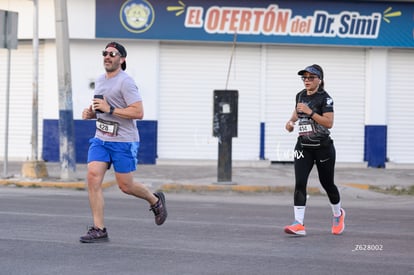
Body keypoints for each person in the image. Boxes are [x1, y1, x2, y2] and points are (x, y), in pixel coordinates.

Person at [80, 41, 167, 243]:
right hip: (101, 139)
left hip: (123, 142)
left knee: (125, 186)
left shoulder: (126, 82)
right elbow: (103, 108)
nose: (107, 56)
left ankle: (155, 200)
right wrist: (92, 113)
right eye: (105, 53)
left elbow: (138, 112)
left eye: (112, 53)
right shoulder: (100, 80)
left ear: (122, 59)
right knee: (93, 177)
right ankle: (99, 229)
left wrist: (109, 109)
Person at [283, 64, 345, 236]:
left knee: (327, 184)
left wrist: (310, 112)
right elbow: (297, 112)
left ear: (320, 80)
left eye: (311, 77)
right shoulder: (300, 95)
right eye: (304, 77)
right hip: (303, 147)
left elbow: (328, 122)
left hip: (323, 148)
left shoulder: (325, 99)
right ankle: (298, 224)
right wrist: (290, 122)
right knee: (300, 183)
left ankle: (338, 214)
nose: (307, 80)